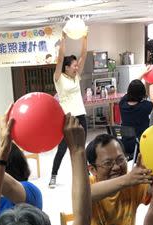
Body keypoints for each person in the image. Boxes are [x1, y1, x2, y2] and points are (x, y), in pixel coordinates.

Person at [50, 30, 88, 189]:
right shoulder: (58, 78)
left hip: (81, 115)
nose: (76, 66)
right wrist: (63, 39)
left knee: (81, 147)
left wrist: (85, 37)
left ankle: (84, 173)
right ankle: (53, 176)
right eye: (74, 65)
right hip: (67, 117)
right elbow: (59, 58)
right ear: (66, 67)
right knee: (63, 148)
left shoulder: (76, 77)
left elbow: (84, 54)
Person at [119, 79, 153, 156]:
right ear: (142, 93)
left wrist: (142, 75)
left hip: (125, 143)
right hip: (140, 145)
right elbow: (152, 100)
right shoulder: (144, 107)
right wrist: (150, 85)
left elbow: (128, 93)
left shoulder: (122, 104)